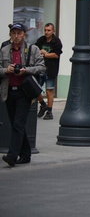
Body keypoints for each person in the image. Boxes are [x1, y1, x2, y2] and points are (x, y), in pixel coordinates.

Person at [1, 23, 45, 167]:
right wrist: (6, 69)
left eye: (19, 33)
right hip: (8, 91)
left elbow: (41, 67)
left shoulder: (32, 49)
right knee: (16, 124)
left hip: (24, 92)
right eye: (13, 33)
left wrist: (26, 70)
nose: (16, 36)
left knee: (18, 124)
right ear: (10, 35)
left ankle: (12, 156)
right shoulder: (4, 50)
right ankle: (26, 154)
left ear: (24, 35)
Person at [35, 22, 62, 120]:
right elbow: (35, 50)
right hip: (40, 69)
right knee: (35, 89)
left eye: (49, 30)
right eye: (45, 30)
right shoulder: (41, 40)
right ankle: (43, 104)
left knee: (49, 91)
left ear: (53, 31)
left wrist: (45, 54)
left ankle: (49, 111)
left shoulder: (57, 41)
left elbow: (56, 54)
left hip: (51, 69)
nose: (46, 32)